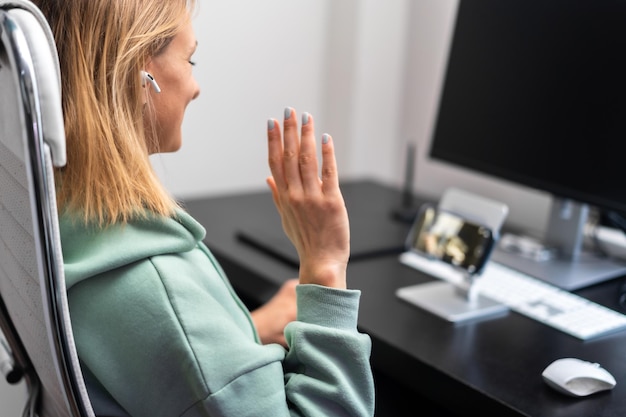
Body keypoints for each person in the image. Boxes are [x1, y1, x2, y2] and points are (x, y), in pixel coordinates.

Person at [32, 0, 375, 416]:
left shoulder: (53, 217)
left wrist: (247, 330)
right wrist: (325, 267)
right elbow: (175, 329)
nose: (196, 86)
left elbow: (160, 356)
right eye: (190, 58)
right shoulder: (157, 283)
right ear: (140, 76)